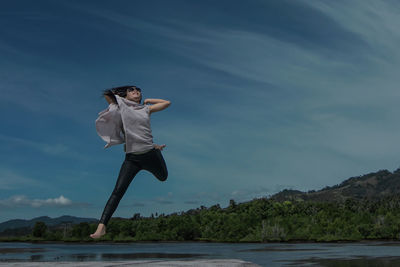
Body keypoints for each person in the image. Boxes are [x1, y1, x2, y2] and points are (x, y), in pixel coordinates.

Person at [90, 85, 170, 239]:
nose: (136, 92)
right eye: (132, 90)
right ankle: (101, 227)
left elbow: (167, 103)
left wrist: (148, 100)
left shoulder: (145, 109)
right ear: (125, 95)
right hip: (132, 159)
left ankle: (155, 149)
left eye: (138, 91)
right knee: (117, 191)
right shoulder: (120, 108)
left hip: (150, 155)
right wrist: (122, 93)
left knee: (163, 177)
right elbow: (108, 94)